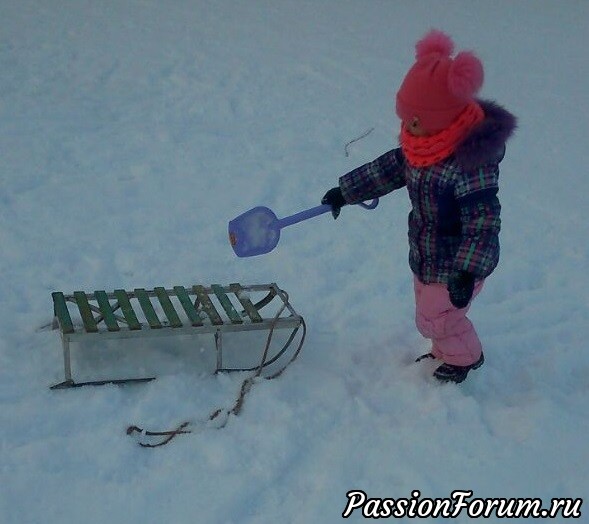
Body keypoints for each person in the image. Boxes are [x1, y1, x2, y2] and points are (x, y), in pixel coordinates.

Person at [322, 29, 517, 383]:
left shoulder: (470, 165)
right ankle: (446, 350)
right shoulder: (422, 145)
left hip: (459, 262)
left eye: (414, 121)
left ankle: (466, 357)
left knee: (437, 317)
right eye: (405, 118)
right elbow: (390, 168)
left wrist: (466, 271)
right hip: (427, 253)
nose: (407, 128)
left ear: (441, 117)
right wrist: (345, 191)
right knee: (431, 312)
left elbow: (483, 224)